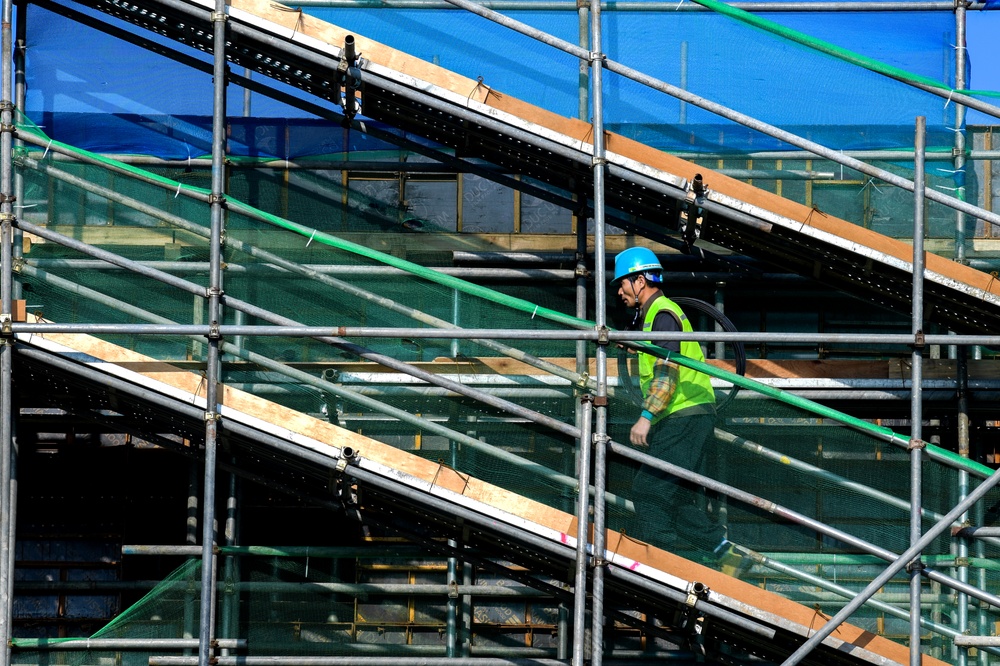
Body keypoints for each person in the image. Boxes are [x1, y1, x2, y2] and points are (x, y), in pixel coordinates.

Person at [610, 246, 748, 576]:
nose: (618, 291)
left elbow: (666, 368)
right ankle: (726, 554)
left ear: (639, 281)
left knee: (649, 491)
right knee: (676, 498)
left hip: (682, 415)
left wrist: (646, 416)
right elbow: (659, 349)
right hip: (690, 415)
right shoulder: (657, 316)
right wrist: (634, 341)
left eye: (621, 284)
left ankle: (664, 566)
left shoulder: (662, 314)